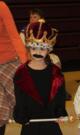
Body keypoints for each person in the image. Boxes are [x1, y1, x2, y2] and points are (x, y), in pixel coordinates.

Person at [13, 21, 67, 135]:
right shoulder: (21, 73)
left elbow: (60, 96)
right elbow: (19, 98)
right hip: (30, 124)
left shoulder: (55, 73)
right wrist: (21, 115)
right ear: (28, 48)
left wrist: (60, 112)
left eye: (42, 49)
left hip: (51, 123)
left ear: (49, 50)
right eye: (34, 48)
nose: (37, 52)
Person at [0, 1, 28, 135]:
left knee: (22, 106)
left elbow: (14, 35)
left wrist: (24, 64)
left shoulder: (1, 6)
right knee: (0, 110)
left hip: (9, 61)